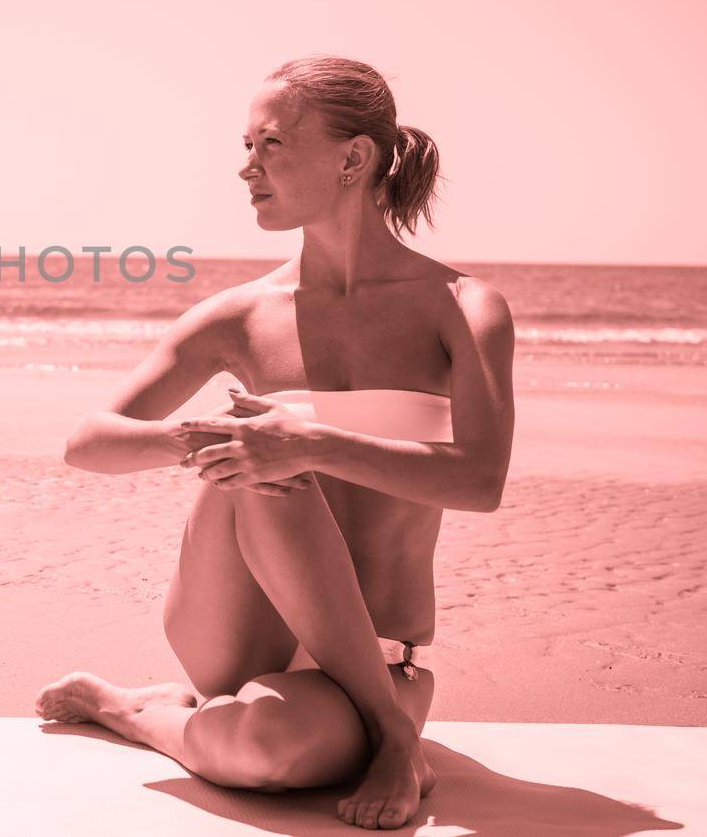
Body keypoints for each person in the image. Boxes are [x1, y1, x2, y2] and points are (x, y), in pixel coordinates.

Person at [35, 55, 516, 831]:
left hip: (378, 654)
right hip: (234, 631)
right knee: (261, 459)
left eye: (271, 144)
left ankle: (130, 706)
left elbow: (481, 481)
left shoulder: (461, 307)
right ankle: (391, 735)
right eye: (247, 144)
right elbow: (87, 441)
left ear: (353, 157)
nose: (246, 166)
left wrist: (311, 442)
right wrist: (210, 439)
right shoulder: (242, 313)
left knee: (261, 751)